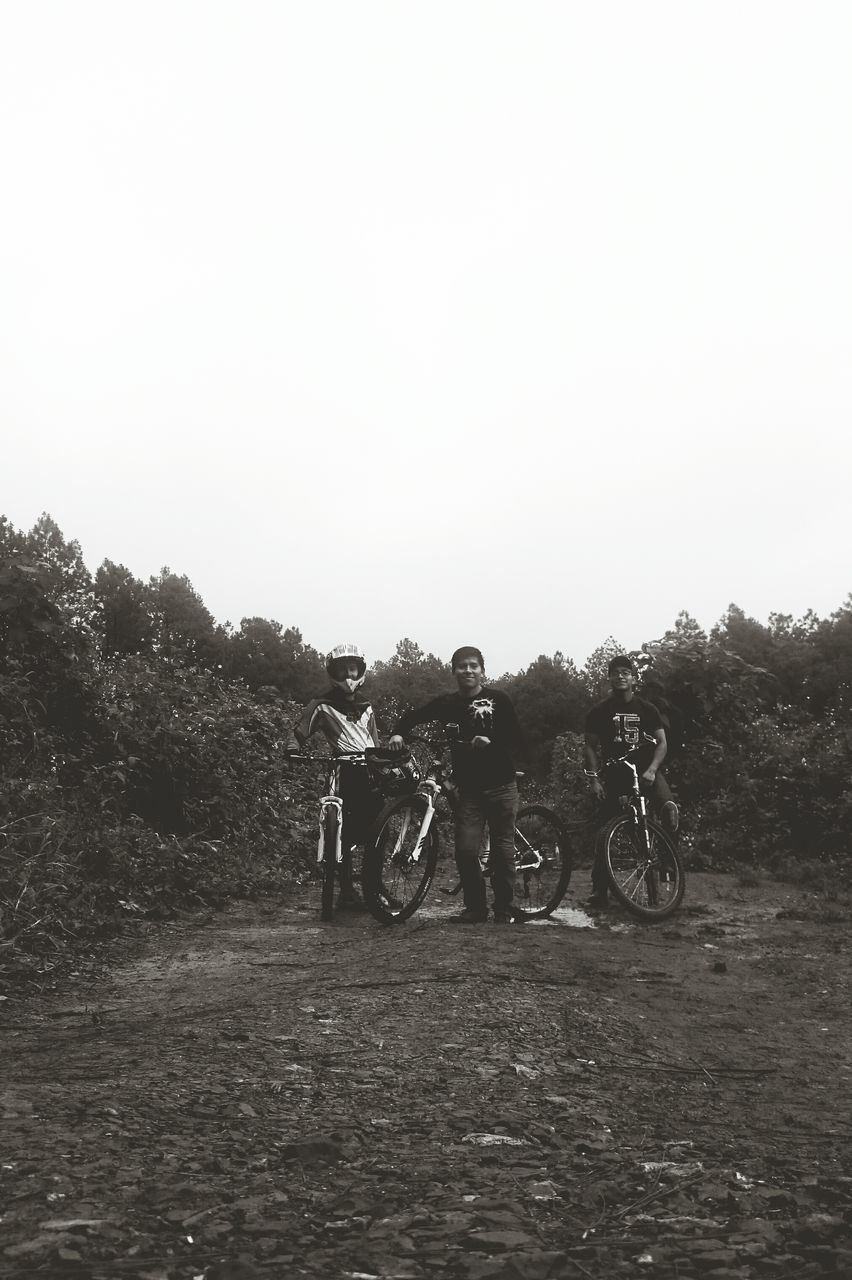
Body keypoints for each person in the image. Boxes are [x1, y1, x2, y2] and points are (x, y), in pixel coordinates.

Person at [388, 645, 525, 924]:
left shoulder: (499, 699)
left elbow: (516, 736)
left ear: (482, 670)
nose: (468, 670)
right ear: (454, 671)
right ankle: (475, 908)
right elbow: (414, 716)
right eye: (462, 666)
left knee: (502, 849)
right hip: (470, 789)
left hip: (501, 785)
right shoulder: (446, 704)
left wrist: (492, 742)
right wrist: (398, 733)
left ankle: (504, 907)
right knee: (465, 849)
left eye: (474, 665)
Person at [286, 643, 381, 909]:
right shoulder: (322, 704)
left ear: (360, 671)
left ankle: (376, 888)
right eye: (342, 670)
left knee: (379, 829)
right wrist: (293, 747)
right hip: (341, 770)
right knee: (342, 832)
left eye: (353, 669)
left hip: (368, 771)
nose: (348, 676)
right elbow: (299, 731)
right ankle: (347, 891)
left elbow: (375, 741)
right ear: (333, 673)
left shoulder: (367, 706)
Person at [583, 655, 679, 908]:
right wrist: (594, 780)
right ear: (609, 678)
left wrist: (652, 769)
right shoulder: (600, 711)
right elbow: (590, 747)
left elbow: (662, 743)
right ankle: (599, 889)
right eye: (615, 672)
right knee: (606, 830)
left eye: (626, 672)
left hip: (647, 771)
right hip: (616, 775)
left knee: (668, 809)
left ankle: (668, 865)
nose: (621, 676)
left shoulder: (647, 709)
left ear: (634, 678)